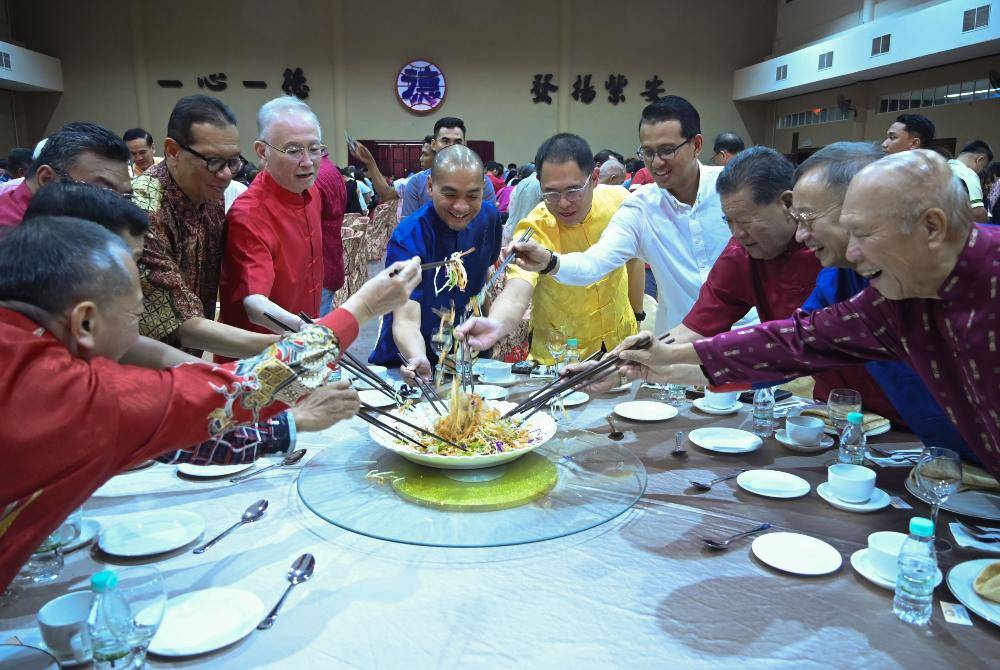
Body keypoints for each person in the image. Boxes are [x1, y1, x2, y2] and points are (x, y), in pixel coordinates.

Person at [0, 214, 422, 591]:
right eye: (134, 318)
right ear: (85, 321)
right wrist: (364, 306)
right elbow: (241, 390)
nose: (137, 339)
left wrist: (290, 425)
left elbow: (178, 433)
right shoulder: (68, 393)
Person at [610, 149, 1000, 479]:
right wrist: (662, 360)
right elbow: (795, 342)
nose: (854, 253)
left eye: (863, 235)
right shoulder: (888, 301)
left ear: (931, 226)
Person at [21, 181, 357, 466]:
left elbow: (187, 392)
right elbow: (162, 427)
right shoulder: (44, 382)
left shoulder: (43, 332)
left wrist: (289, 363)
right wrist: (294, 420)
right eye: (133, 266)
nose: (141, 292)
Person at [509, 96, 752, 336]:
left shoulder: (735, 188)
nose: (656, 163)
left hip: (752, 338)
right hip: (682, 347)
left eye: (667, 151)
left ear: (697, 145)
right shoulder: (641, 208)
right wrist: (550, 261)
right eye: (648, 152)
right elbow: (595, 262)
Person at [792, 142, 971, 459]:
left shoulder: (979, 280)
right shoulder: (852, 280)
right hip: (946, 457)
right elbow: (795, 341)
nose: (800, 236)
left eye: (861, 231)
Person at [457, 133, 637, 366]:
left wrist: (639, 313)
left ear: (593, 178)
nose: (562, 203)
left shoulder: (620, 202)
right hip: (560, 359)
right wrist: (496, 325)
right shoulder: (534, 229)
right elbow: (516, 293)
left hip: (620, 347)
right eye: (551, 193)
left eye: (573, 191)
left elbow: (633, 259)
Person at [133, 95, 278, 361]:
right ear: (173, 151)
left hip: (190, 360)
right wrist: (285, 346)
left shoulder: (209, 190)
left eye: (232, 161)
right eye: (213, 161)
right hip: (146, 369)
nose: (225, 175)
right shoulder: (143, 208)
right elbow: (179, 322)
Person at [372, 145, 503, 378]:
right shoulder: (409, 236)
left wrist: (486, 336)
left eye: (472, 195)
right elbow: (406, 319)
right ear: (431, 187)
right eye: (450, 194)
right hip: (408, 360)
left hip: (462, 357)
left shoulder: (488, 218)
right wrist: (418, 357)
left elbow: (481, 278)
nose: (461, 206)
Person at [219, 96, 327, 339]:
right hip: (260, 352)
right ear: (262, 151)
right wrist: (304, 330)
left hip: (303, 342)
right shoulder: (248, 215)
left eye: (314, 148)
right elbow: (255, 304)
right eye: (293, 150)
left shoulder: (311, 191)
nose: (308, 162)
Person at [0, 123, 131, 226]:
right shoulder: (13, 237)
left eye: (126, 197)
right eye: (106, 193)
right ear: (47, 180)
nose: (119, 211)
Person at [401, 116, 496, 217]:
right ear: (434, 144)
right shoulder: (416, 183)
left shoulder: (482, 182)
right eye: (445, 141)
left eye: (458, 142)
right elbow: (409, 228)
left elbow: (488, 223)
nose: (452, 147)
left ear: (465, 144)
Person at [316, 153, 348, 316]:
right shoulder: (331, 171)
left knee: (311, 331)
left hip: (319, 266)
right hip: (329, 258)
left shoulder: (315, 174)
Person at [949, 140, 993, 222]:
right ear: (979, 159)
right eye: (983, 167)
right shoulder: (969, 174)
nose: (981, 171)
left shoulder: (942, 166)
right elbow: (977, 212)